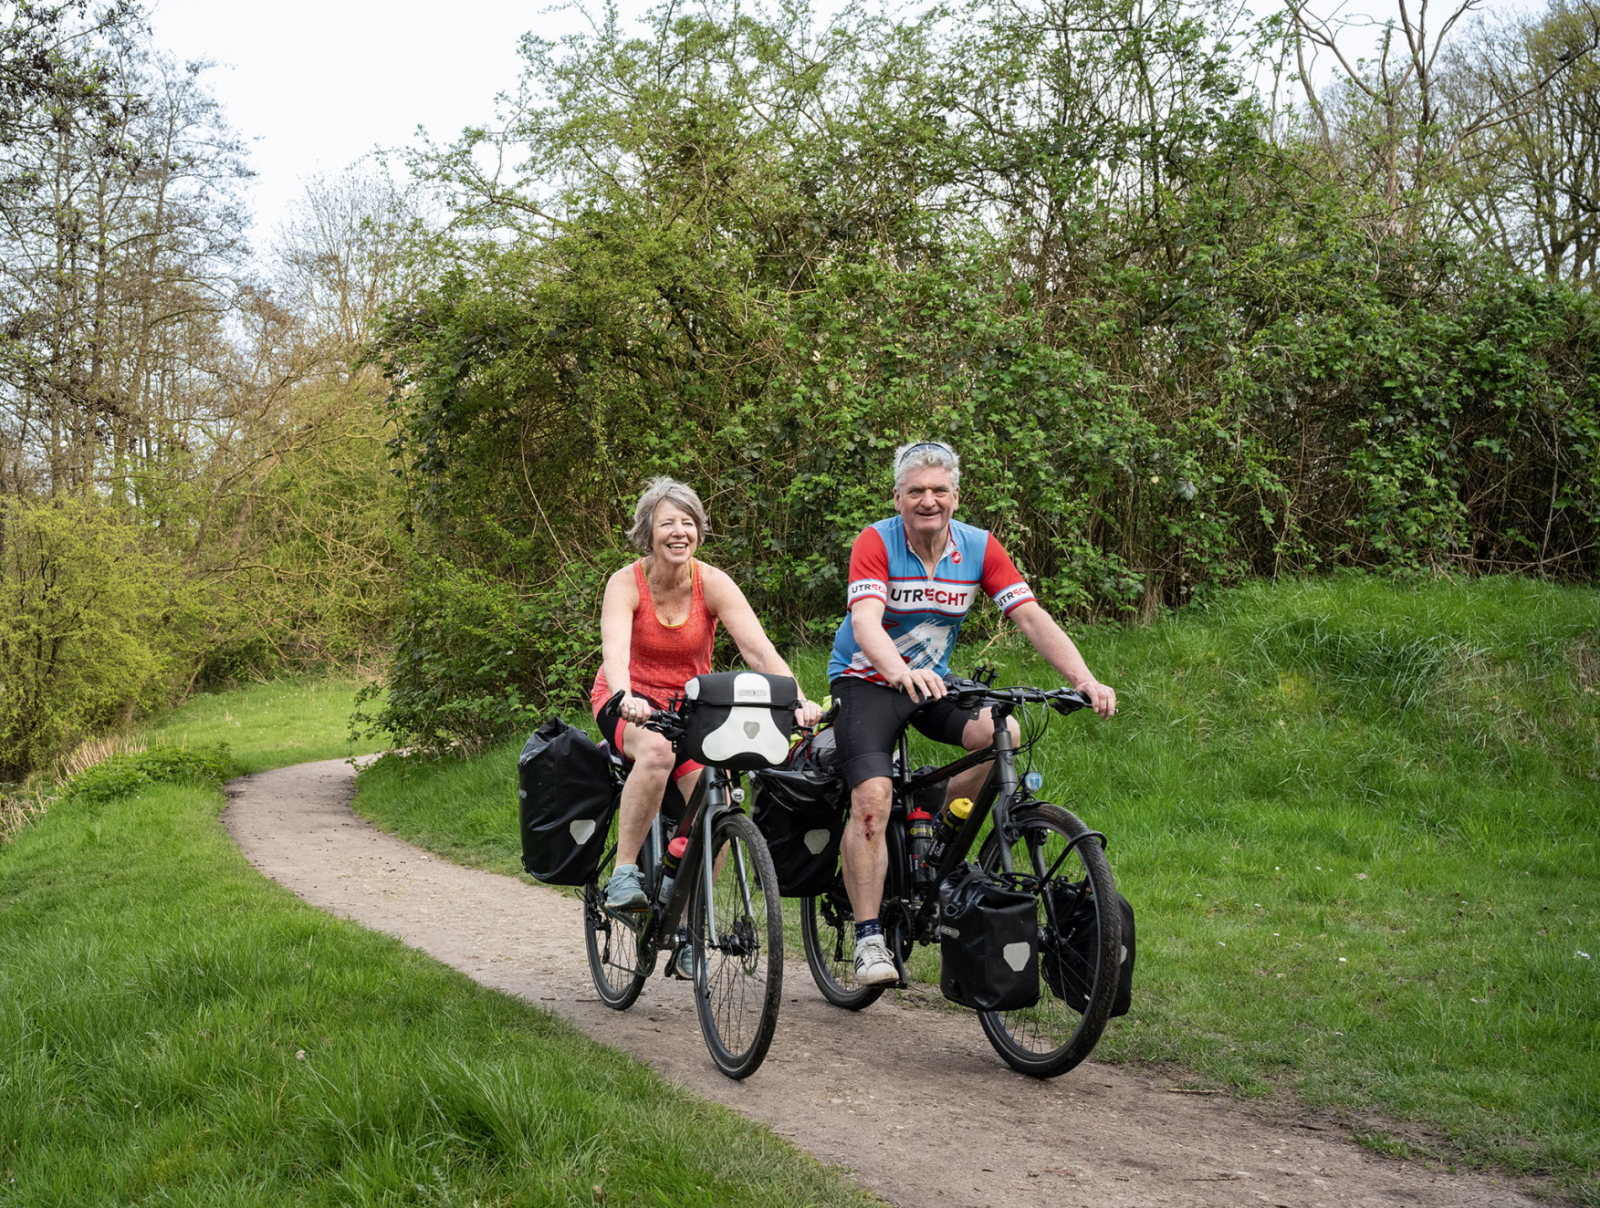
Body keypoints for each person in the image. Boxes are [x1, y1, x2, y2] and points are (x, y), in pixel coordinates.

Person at [828, 440, 1118, 986]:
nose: (928, 501)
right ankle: (869, 939)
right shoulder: (876, 541)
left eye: (939, 490)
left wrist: (1083, 678)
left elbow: (1030, 618)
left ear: (956, 497)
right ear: (898, 498)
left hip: (931, 682)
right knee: (872, 798)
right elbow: (866, 622)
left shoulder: (980, 548)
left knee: (1002, 730)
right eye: (916, 491)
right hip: (866, 680)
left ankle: (942, 828)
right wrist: (897, 671)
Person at [593, 476, 821, 910]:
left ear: (698, 529)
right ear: (648, 533)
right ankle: (624, 874)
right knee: (658, 753)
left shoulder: (712, 582)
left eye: (688, 522)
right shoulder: (625, 583)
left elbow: (758, 651)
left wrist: (797, 700)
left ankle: (688, 914)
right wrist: (625, 696)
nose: (679, 532)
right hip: (628, 700)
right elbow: (616, 655)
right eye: (667, 524)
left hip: (689, 706)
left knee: (717, 793)